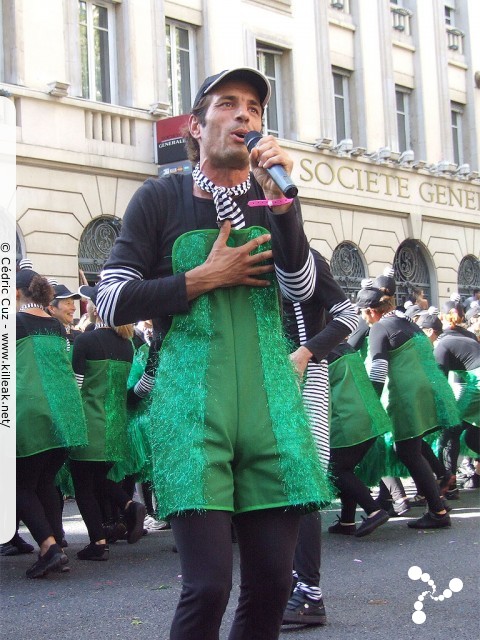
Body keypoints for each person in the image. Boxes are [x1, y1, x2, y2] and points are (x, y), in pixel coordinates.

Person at [95, 67, 331, 640]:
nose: (244, 115)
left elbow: (303, 292)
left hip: (273, 407)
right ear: (196, 128)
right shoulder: (159, 196)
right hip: (191, 410)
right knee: (208, 587)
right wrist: (198, 279)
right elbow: (109, 301)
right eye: (228, 104)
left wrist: (283, 209)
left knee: (273, 586)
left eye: (254, 107)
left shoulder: (272, 197)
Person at [280, 249, 358, 626]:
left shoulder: (303, 255)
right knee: (275, 485)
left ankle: (309, 593)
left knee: (303, 481)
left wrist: (305, 354)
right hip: (261, 379)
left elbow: (348, 314)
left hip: (302, 377)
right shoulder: (246, 249)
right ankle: (288, 588)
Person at [356, 276, 460, 529]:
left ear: (371, 311)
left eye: (363, 314)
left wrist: (370, 402)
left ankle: (437, 511)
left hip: (406, 395)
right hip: (425, 391)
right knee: (413, 449)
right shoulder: (406, 322)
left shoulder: (380, 327)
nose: (364, 319)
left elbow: (379, 367)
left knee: (408, 452)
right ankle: (439, 503)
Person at [16, 266, 87, 578]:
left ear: (16, 293)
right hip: (66, 415)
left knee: (19, 486)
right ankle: (56, 541)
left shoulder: (14, 321)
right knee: (45, 481)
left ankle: (49, 547)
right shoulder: (58, 326)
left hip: (32, 414)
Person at [69, 286, 146, 560]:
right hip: (116, 428)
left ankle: (99, 543)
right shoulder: (127, 344)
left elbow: (76, 388)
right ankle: (128, 505)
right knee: (97, 480)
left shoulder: (85, 342)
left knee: (83, 487)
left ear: (94, 310)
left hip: (90, 425)